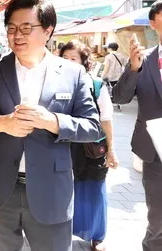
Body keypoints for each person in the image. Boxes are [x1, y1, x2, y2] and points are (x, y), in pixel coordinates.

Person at [0, 0, 101, 251]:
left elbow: (93, 128)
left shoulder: (72, 73)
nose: (17, 35)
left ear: (48, 31)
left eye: (27, 28)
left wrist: (52, 121)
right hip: (3, 184)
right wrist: (0, 123)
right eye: (12, 28)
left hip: (51, 191)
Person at [113, 0, 162, 251]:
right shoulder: (143, 61)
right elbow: (119, 98)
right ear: (153, 25)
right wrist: (133, 68)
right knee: (158, 217)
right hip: (155, 153)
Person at [60, 40, 118, 251]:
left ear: (85, 63)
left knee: (93, 190)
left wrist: (112, 151)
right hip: (64, 146)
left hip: (91, 148)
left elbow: (107, 119)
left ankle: (97, 236)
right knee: (64, 190)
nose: (68, 62)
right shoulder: (57, 83)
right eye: (64, 58)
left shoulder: (96, 85)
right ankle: (62, 231)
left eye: (73, 58)